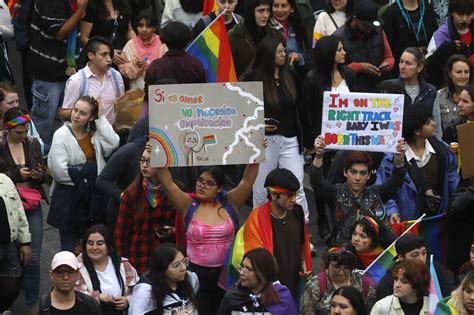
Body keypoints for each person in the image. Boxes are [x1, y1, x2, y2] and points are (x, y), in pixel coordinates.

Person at [155, 160, 260, 314]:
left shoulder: (231, 202)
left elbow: (247, 181)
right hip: (195, 273)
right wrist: (159, 152)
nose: (202, 185)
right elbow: (169, 184)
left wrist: (256, 152)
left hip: (226, 272)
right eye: (200, 181)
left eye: (209, 183)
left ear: (220, 188)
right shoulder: (187, 204)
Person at [245, 36, 310, 219]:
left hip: (290, 140)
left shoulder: (290, 77)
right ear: (268, 54)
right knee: (259, 191)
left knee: (297, 189)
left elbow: (301, 110)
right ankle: (258, 232)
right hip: (265, 142)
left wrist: (308, 139)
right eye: (279, 51)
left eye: (284, 50)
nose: (283, 55)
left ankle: (303, 232)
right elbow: (244, 111)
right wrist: (257, 124)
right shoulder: (253, 79)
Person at [48, 96, 120, 252]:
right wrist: (87, 180)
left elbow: (113, 143)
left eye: (82, 113)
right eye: (75, 110)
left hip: (94, 197)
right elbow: (59, 171)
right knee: (68, 246)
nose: (76, 115)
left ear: (91, 117)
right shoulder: (61, 135)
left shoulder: (94, 133)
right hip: (70, 197)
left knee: (93, 243)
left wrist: (101, 119)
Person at [229, 167, 313, 301]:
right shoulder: (257, 218)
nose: (294, 199)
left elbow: (302, 241)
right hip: (269, 289)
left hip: (293, 282)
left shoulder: (297, 211)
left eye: (295, 194)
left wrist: (303, 262)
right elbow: (254, 260)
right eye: (289, 195)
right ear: (273, 194)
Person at [310, 136, 407, 246]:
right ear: (345, 172)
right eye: (353, 172)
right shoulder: (335, 192)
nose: (357, 177)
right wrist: (318, 155)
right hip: (343, 256)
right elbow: (316, 182)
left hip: (370, 257)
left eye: (362, 173)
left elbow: (396, 182)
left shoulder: (376, 192)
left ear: (369, 175)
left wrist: (399, 157)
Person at [376, 105, 459, 221]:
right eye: (428, 122)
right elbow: (385, 191)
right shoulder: (393, 159)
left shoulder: (443, 152)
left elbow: (454, 184)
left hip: (439, 222)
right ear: (417, 131)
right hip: (407, 226)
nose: (434, 124)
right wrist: (392, 212)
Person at [0, 107, 46, 309]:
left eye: (26, 131)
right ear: (7, 129)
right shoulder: (0, 146)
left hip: (31, 203)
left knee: (33, 258)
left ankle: (32, 304)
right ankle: (10, 298)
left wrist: (38, 174)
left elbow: (45, 171)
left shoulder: (32, 143)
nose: (23, 136)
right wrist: (19, 175)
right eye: (19, 132)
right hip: (9, 207)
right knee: (12, 256)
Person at [27, 0, 87, 153]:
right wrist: (80, 10)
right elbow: (59, 32)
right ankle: (39, 159)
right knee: (44, 118)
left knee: (67, 116)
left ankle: (62, 155)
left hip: (68, 70)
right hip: (48, 72)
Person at [115, 147, 183, 275]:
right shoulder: (131, 193)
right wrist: (122, 264)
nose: (144, 166)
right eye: (142, 161)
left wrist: (173, 230)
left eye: (150, 161)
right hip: (139, 257)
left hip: (167, 258)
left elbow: (184, 225)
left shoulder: (175, 191)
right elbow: (120, 234)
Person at [75, 224, 139, 314]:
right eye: (90, 243)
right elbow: (74, 296)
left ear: (108, 245)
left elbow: (139, 291)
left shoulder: (123, 264)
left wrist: (127, 300)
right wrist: (97, 297)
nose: (94, 248)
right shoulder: (77, 267)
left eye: (100, 243)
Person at [61, 36, 125, 125]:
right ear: (90, 55)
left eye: (110, 55)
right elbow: (64, 113)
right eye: (103, 54)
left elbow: (120, 105)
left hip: (109, 135)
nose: (109, 59)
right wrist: (85, 110)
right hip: (84, 135)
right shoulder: (77, 81)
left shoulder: (116, 76)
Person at [333, 0, 395, 92]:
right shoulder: (339, 37)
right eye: (365, 25)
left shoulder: (378, 31)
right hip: (352, 89)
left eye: (371, 25)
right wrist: (359, 67)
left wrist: (387, 65)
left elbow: (389, 57)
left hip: (378, 86)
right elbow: (334, 68)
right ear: (355, 19)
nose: (369, 28)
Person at [375, 233, 456, 301]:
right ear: (401, 258)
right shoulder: (389, 281)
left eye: (424, 253)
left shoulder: (435, 269)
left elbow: (450, 294)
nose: (421, 259)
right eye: (415, 255)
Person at [218, 248, 297, 314]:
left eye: (248, 269)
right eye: (242, 267)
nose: (242, 272)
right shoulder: (232, 297)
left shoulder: (282, 299)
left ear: (263, 273)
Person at [300, 247, 375, 314]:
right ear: (327, 266)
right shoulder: (314, 286)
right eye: (336, 267)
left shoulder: (364, 283)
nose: (341, 272)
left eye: (346, 268)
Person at [129, 243, 199, 314]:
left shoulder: (191, 279)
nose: (183, 268)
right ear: (162, 268)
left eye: (184, 261)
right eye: (176, 265)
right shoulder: (146, 292)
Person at [27, 251, 101, 315]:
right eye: (60, 272)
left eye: (70, 272)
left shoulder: (91, 305)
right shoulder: (38, 311)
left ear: (78, 275)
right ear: (51, 275)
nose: (65, 277)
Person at [381, 0, 438, 78]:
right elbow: (388, 46)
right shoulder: (391, 12)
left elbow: (434, 35)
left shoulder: (427, 7)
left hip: (426, 66)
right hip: (401, 69)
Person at [228, 0, 283, 80]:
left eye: (268, 10)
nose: (265, 15)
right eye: (261, 11)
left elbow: (284, 67)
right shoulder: (233, 37)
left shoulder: (276, 35)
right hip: (243, 89)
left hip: (271, 88)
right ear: (250, 11)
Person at [0, 173, 31, 313]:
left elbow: (19, 212)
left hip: (9, 246)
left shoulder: (5, 180)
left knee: (12, 288)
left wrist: (25, 242)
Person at [426, 0, 474, 88]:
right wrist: (447, 49)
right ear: (452, 13)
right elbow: (430, 66)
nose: (464, 19)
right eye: (460, 14)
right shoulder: (440, 35)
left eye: (468, 14)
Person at [119, 10, 167, 90]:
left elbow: (167, 68)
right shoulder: (130, 45)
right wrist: (136, 65)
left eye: (148, 26)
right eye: (140, 26)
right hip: (137, 92)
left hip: (159, 91)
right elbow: (123, 70)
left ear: (155, 28)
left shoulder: (163, 44)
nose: (144, 30)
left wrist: (149, 65)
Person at [79, 0, 134, 69]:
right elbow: (83, 38)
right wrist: (108, 52)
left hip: (122, 61)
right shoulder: (91, 6)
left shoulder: (123, 4)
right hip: (98, 62)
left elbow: (129, 30)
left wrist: (135, 47)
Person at [433, 54, 473, 138]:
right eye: (459, 72)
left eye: (466, 72)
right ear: (450, 74)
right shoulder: (439, 96)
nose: (463, 76)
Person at [270, 0, 311, 76]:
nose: (279, 10)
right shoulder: (267, 28)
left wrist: (298, 57)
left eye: (283, 6)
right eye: (275, 6)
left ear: (292, 8)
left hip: (295, 73)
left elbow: (305, 53)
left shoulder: (298, 26)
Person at [0, 83, 44, 154]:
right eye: (10, 103)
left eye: (17, 101)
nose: (15, 106)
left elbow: (40, 146)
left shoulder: (23, 118)